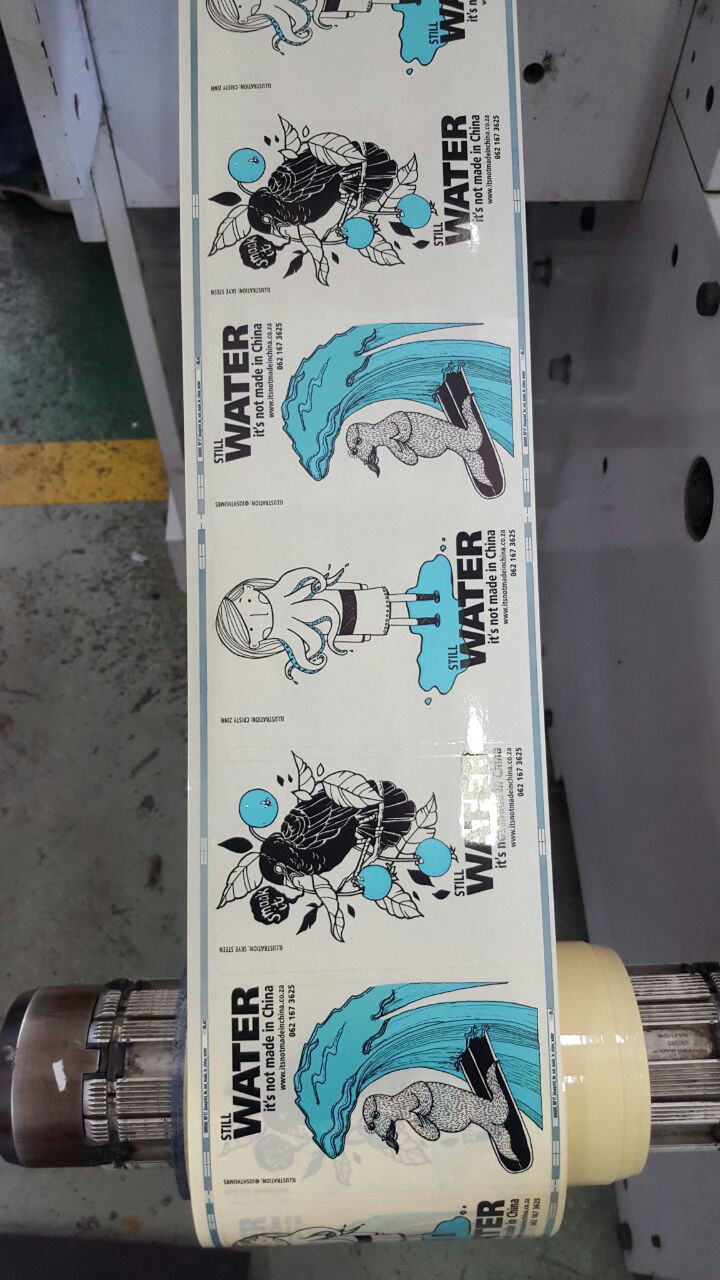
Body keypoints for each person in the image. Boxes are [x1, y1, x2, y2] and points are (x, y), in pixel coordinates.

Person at [215, 565, 439, 681]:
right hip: (350, 625)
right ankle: (425, 621)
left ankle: (426, 598)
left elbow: (320, 584)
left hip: (347, 599)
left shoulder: (286, 587)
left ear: (249, 589)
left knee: (387, 600)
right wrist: (357, 638)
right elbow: (327, 638)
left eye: (247, 602)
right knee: (389, 619)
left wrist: (353, 586)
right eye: (251, 627)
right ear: (255, 643)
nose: (257, 614)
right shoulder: (290, 634)